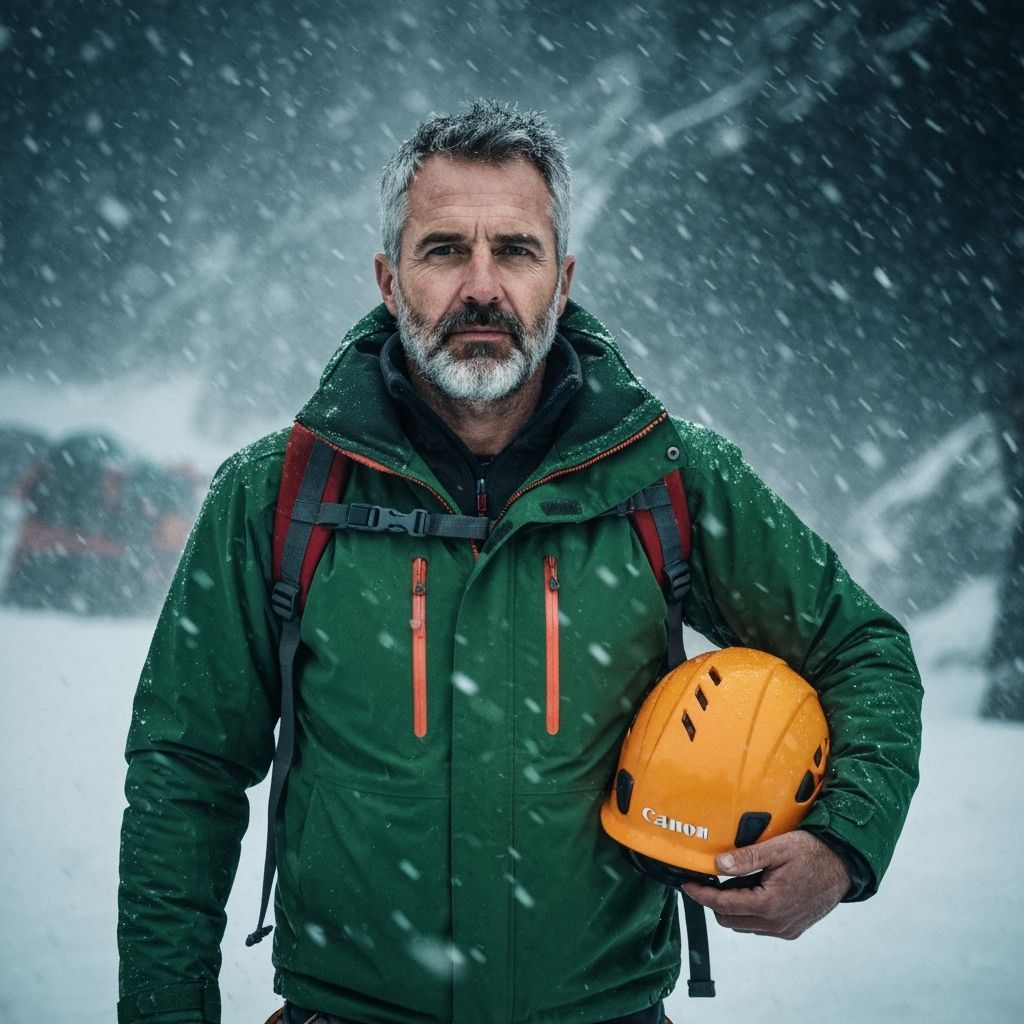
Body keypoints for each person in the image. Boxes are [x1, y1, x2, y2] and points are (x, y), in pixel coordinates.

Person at [118, 101, 923, 1024]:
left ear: (563, 279)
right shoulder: (276, 493)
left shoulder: (670, 478)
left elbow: (863, 652)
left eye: (516, 251)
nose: (482, 286)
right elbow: (185, 771)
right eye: (443, 251)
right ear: (389, 280)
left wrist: (840, 848)